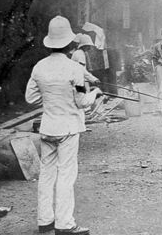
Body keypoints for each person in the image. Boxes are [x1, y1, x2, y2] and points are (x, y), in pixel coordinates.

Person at [25, 16, 100, 235]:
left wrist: (51, 99)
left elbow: (30, 98)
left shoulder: (39, 67)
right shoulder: (73, 68)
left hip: (48, 127)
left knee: (47, 175)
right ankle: (65, 224)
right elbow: (81, 102)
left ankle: (45, 220)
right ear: (69, 43)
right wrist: (95, 93)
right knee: (66, 175)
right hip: (68, 128)